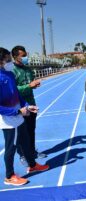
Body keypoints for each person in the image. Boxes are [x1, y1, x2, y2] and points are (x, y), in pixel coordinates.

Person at [0, 47, 49, 186]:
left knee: (26, 143)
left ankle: (32, 165)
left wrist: (27, 105)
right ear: (1, 60)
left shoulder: (9, 74)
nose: (10, 61)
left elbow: (17, 95)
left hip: (19, 116)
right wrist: (17, 112)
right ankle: (9, 176)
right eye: (7, 58)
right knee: (11, 148)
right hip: (9, 120)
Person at [11, 46, 46, 166]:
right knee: (21, 132)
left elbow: (30, 83)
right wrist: (29, 86)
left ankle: (31, 151)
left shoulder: (28, 69)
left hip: (31, 103)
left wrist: (34, 85)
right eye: (23, 55)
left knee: (31, 130)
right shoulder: (12, 71)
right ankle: (22, 155)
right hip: (19, 106)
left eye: (26, 54)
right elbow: (13, 90)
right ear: (15, 57)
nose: (26, 57)